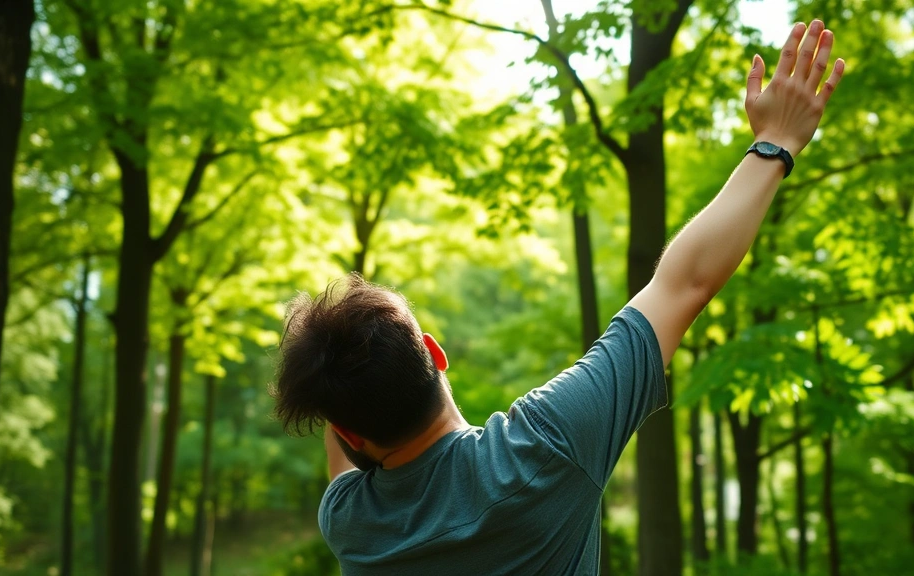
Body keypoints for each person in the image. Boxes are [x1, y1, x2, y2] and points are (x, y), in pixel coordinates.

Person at [271, 19, 845, 575]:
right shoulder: (541, 451)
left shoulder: (350, 524)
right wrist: (776, 141)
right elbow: (683, 284)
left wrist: (336, 380)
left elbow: (343, 444)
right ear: (434, 351)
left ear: (347, 431)